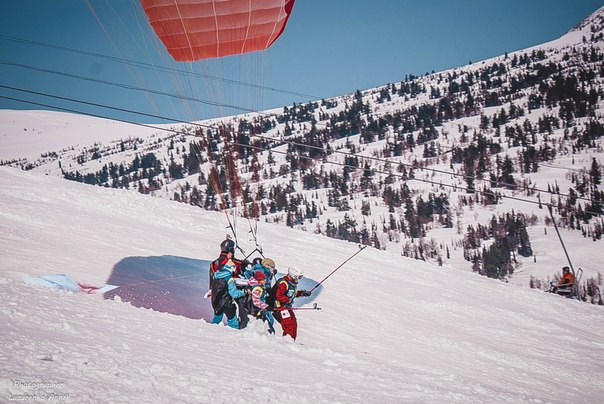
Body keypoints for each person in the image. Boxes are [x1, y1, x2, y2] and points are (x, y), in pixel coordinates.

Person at [272, 267, 311, 340]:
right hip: (279, 307)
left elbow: (291, 294)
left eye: (300, 277)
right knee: (289, 325)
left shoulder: (292, 284)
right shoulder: (284, 284)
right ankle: (286, 341)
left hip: (287, 307)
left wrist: (302, 293)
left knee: (294, 323)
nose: (299, 279)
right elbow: (278, 296)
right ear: (293, 275)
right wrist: (287, 299)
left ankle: (291, 341)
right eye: (298, 277)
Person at [210, 258, 248, 329]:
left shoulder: (216, 275)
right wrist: (243, 292)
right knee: (233, 322)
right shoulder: (229, 279)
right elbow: (234, 293)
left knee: (216, 321)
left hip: (216, 302)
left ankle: (211, 331)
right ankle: (233, 333)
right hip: (227, 303)